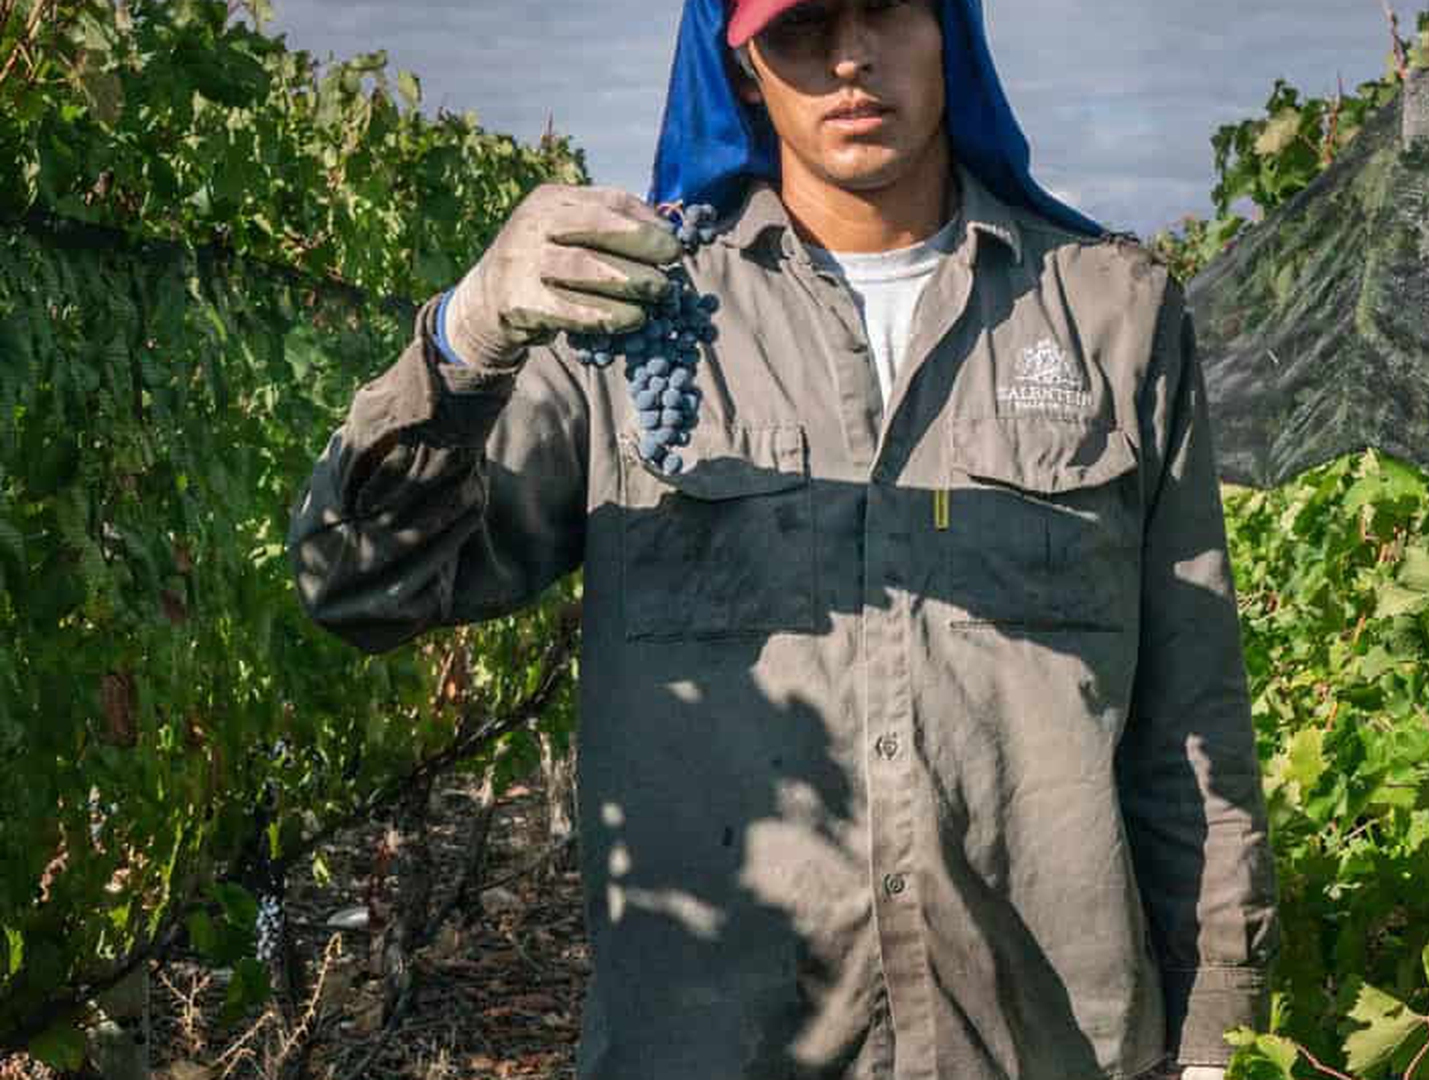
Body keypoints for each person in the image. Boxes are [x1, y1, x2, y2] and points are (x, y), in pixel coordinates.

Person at [286, 0, 1277, 1078]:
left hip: (1051, 1047)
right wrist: (461, 340)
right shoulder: (636, 326)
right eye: (801, 27)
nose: (851, 60)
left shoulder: (1110, 315)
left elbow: (1191, 718)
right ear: (744, 68)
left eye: (887, 12)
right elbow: (360, 586)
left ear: (952, 29)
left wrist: (1219, 1029)